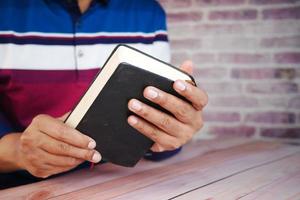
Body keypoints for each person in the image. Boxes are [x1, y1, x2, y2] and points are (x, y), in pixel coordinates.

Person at [0, 0, 208, 188]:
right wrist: (18, 151)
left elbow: (154, 135)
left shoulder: (147, 11)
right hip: (23, 188)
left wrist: (173, 127)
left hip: (121, 182)